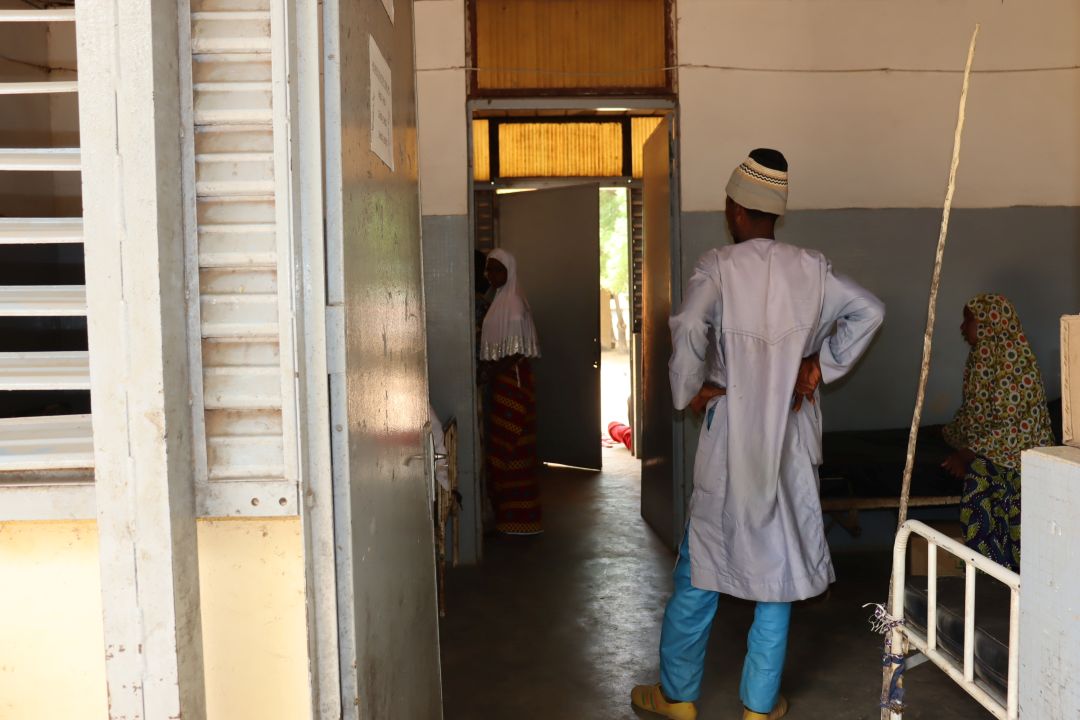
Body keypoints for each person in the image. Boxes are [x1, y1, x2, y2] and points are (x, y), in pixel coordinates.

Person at [631, 149, 885, 720]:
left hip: (732, 433)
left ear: (733, 208)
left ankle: (677, 698)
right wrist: (818, 365)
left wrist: (689, 389)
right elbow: (869, 309)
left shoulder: (719, 267)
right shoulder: (812, 267)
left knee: (702, 567)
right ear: (775, 214)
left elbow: (693, 323)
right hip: (788, 437)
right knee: (778, 571)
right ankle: (758, 707)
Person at [941, 294, 1055, 572]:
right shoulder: (980, 359)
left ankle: (998, 569)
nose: (962, 328)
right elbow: (972, 414)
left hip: (1022, 456)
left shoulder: (1014, 363)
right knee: (980, 468)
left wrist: (967, 453)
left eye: (968, 320)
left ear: (990, 322)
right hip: (995, 450)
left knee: (978, 479)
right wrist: (948, 436)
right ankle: (990, 568)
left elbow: (1010, 426)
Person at [479, 249, 543, 535]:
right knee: (505, 447)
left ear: (509, 271)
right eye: (488, 270)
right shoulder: (499, 301)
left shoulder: (514, 303)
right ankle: (509, 517)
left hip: (513, 382)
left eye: (496, 270)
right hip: (504, 380)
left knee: (511, 445)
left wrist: (491, 371)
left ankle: (523, 520)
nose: (490, 275)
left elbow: (516, 351)